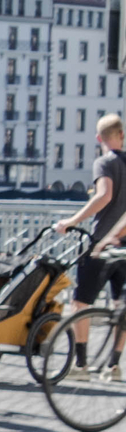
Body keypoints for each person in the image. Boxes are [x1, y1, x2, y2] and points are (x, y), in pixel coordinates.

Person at [58, 115, 126, 320]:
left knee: (80, 303)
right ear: (122, 135)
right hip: (124, 244)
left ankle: (81, 352)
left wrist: (72, 221)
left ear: (99, 138)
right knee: (120, 308)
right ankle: (115, 353)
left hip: (102, 242)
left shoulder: (104, 162)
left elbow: (104, 195)